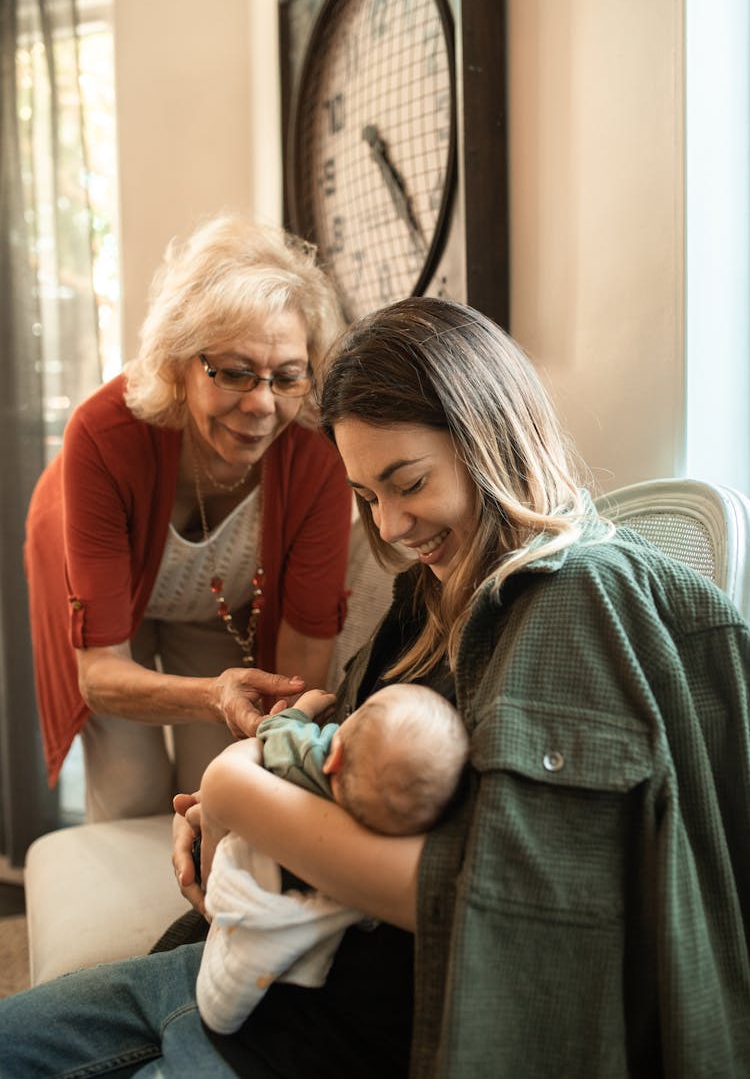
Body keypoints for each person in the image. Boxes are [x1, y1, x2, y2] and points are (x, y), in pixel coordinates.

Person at [3, 296, 750, 1078]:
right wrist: (231, 813)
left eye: (408, 482)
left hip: (322, 1041)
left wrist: (231, 789)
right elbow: (329, 745)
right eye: (367, 496)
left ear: (487, 437)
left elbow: (483, 897)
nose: (389, 527)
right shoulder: (431, 598)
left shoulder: (576, 598)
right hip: (235, 977)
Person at [24, 212, 353, 820]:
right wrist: (213, 694)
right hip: (103, 595)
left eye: (286, 376)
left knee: (223, 777)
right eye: (233, 372)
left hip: (217, 608)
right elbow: (100, 674)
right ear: (179, 362)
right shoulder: (103, 434)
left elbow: (303, 662)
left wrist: (271, 764)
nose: (261, 405)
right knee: (131, 787)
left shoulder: (319, 451)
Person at [197, 683, 469, 1034]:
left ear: (336, 754)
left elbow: (273, 730)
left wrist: (304, 710)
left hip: (260, 875)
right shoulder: (399, 828)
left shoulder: (312, 755)